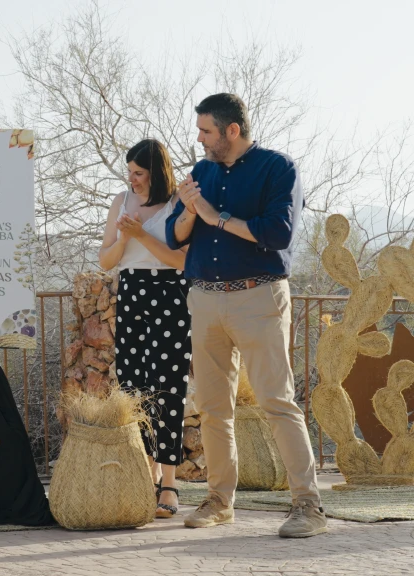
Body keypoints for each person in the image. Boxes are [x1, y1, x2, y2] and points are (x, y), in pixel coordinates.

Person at [166, 93, 326, 537]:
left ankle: (308, 506)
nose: (199, 139)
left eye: (205, 131)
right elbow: (175, 234)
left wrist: (216, 218)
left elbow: (277, 233)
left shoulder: (278, 168)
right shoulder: (201, 172)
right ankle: (219, 501)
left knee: (277, 401)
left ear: (231, 131)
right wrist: (189, 210)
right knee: (214, 408)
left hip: (258, 297)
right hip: (204, 298)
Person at [99, 138, 189, 518]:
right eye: (129, 172)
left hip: (170, 293)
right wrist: (123, 238)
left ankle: (168, 483)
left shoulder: (177, 205)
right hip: (132, 292)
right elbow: (106, 261)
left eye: (138, 172)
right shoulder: (120, 202)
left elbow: (182, 260)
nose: (131, 179)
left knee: (168, 388)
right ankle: (144, 477)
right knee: (134, 388)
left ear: (156, 172)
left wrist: (141, 235)